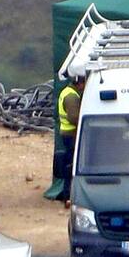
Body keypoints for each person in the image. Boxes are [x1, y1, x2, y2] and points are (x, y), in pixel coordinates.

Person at [53, 73, 85, 202]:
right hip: (71, 134)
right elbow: (74, 118)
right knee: (72, 165)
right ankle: (68, 194)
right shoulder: (72, 96)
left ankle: (67, 194)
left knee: (69, 163)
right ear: (79, 83)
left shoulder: (67, 92)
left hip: (67, 133)